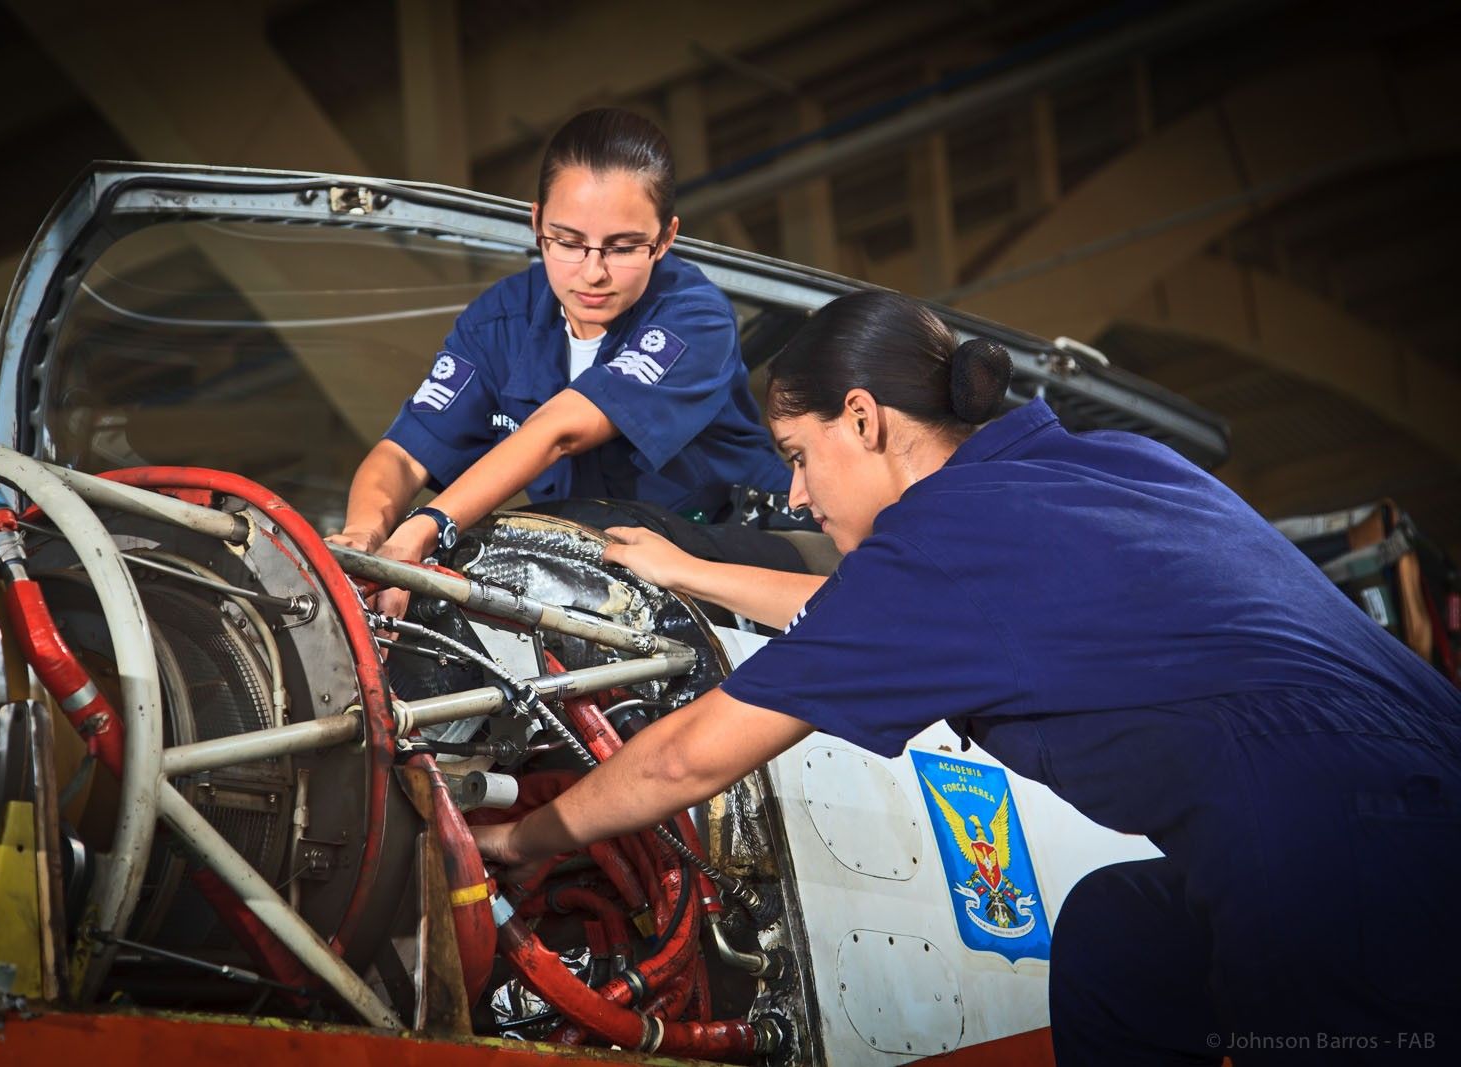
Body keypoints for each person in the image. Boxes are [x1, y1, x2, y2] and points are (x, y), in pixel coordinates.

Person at [473, 290, 1461, 1065]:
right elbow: (878, 615)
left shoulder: (936, 557)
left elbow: (686, 760)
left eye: (799, 456)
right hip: (1421, 802)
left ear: (860, 418)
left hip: (1337, 858)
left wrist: (522, 835)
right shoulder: (1105, 467)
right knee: (1122, 943)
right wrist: (693, 573)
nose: (796, 494)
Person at [330, 108, 790, 613]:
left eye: (622, 247)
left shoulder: (694, 318)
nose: (592, 272)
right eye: (568, 242)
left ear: (666, 238)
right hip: (608, 582)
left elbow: (561, 430)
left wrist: (429, 526)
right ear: (535, 223)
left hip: (743, 563)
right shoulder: (497, 324)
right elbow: (402, 454)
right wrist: (366, 541)